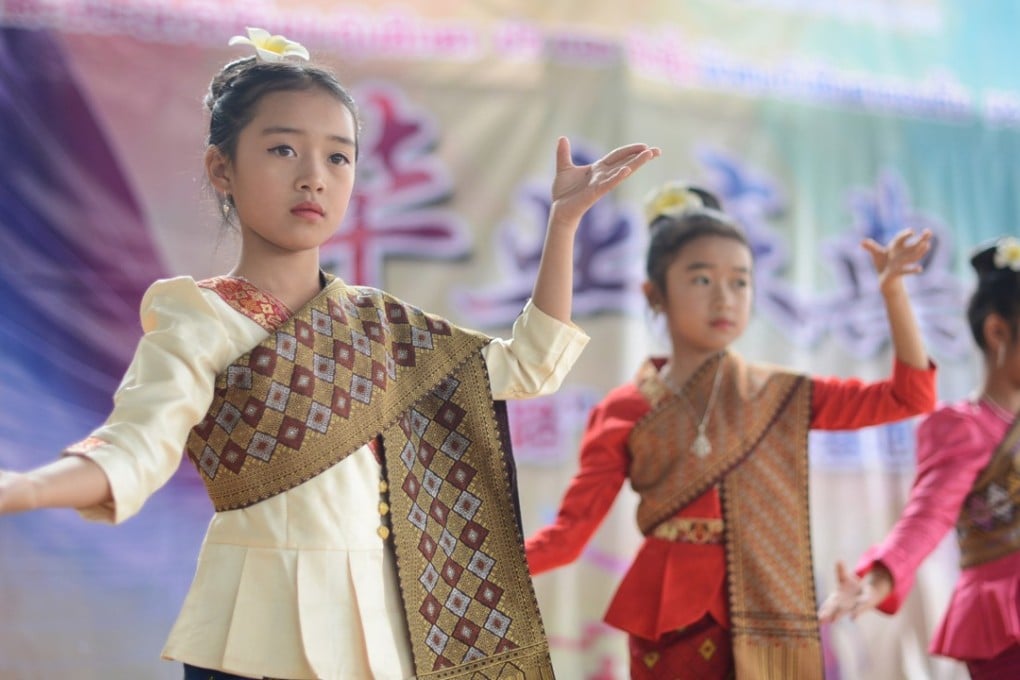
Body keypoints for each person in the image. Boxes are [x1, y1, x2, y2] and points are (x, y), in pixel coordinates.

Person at [0, 27, 661, 680]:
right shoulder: (196, 314)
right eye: (284, 149)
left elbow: (529, 365)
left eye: (338, 157)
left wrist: (564, 225)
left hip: (382, 627)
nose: (314, 177)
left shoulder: (381, 323)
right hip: (253, 631)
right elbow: (134, 449)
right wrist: (25, 488)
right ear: (221, 168)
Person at [524, 182, 937, 679]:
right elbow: (568, 537)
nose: (725, 298)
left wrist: (892, 291)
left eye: (740, 282)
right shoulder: (624, 410)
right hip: (670, 616)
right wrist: (465, 567)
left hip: (771, 611)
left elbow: (909, 396)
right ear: (653, 293)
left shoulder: (779, 394)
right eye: (701, 280)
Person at [818, 236, 1020, 679]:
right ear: (998, 331)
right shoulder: (963, 427)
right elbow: (926, 518)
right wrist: (877, 581)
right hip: (1007, 625)